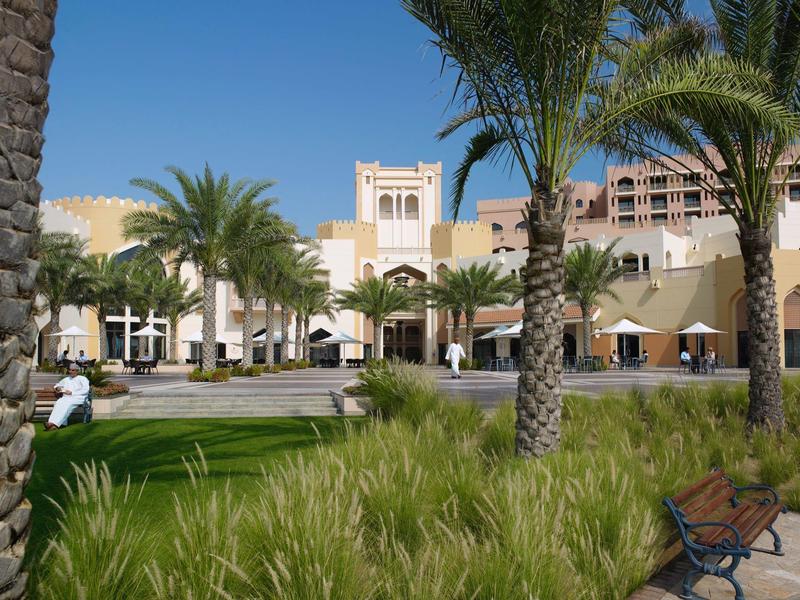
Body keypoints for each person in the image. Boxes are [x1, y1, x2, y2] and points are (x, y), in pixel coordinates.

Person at [46, 364, 90, 430]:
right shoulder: (66, 379)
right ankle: (51, 423)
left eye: (73, 370)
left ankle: (55, 424)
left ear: (77, 371)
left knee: (67, 404)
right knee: (58, 402)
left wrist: (72, 393)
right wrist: (58, 388)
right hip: (67, 397)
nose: (71, 372)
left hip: (79, 398)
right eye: (70, 370)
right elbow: (57, 385)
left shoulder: (83, 379)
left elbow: (85, 390)